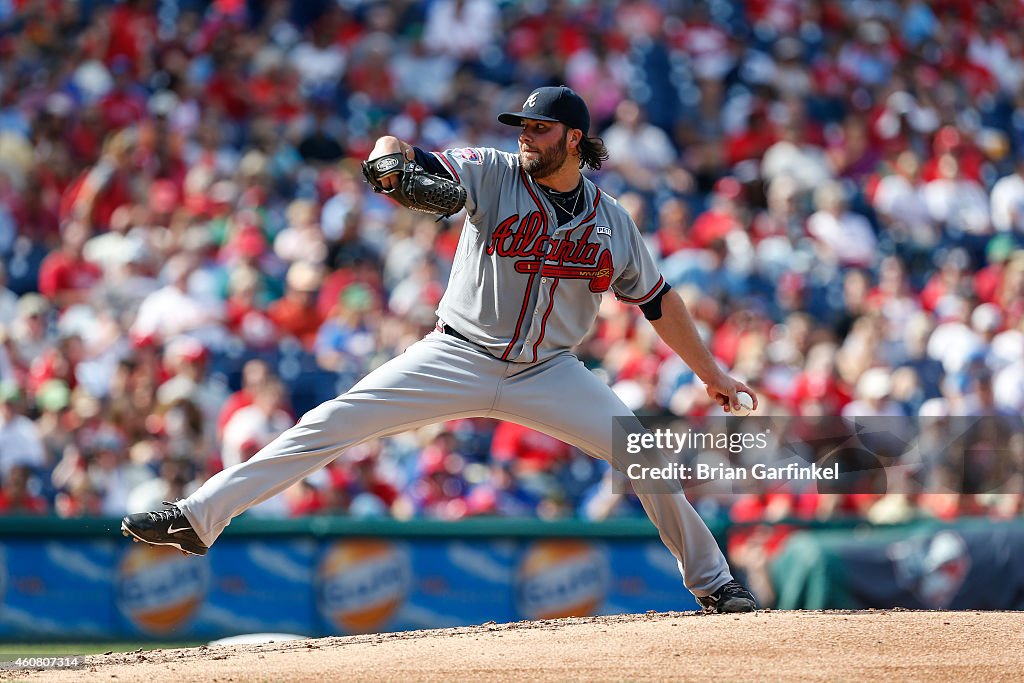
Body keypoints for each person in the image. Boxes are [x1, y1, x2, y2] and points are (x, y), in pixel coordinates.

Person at [122, 86, 758, 614]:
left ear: (573, 138)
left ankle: (715, 586)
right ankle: (197, 517)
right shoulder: (491, 169)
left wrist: (713, 373)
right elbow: (402, 156)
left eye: (538, 128)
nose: (524, 137)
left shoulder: (612, 220)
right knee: (330, 422)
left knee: (641, 452)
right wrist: (385, 159)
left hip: (551, 370)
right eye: (522, 127)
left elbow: (658, 300)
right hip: (458, 353)